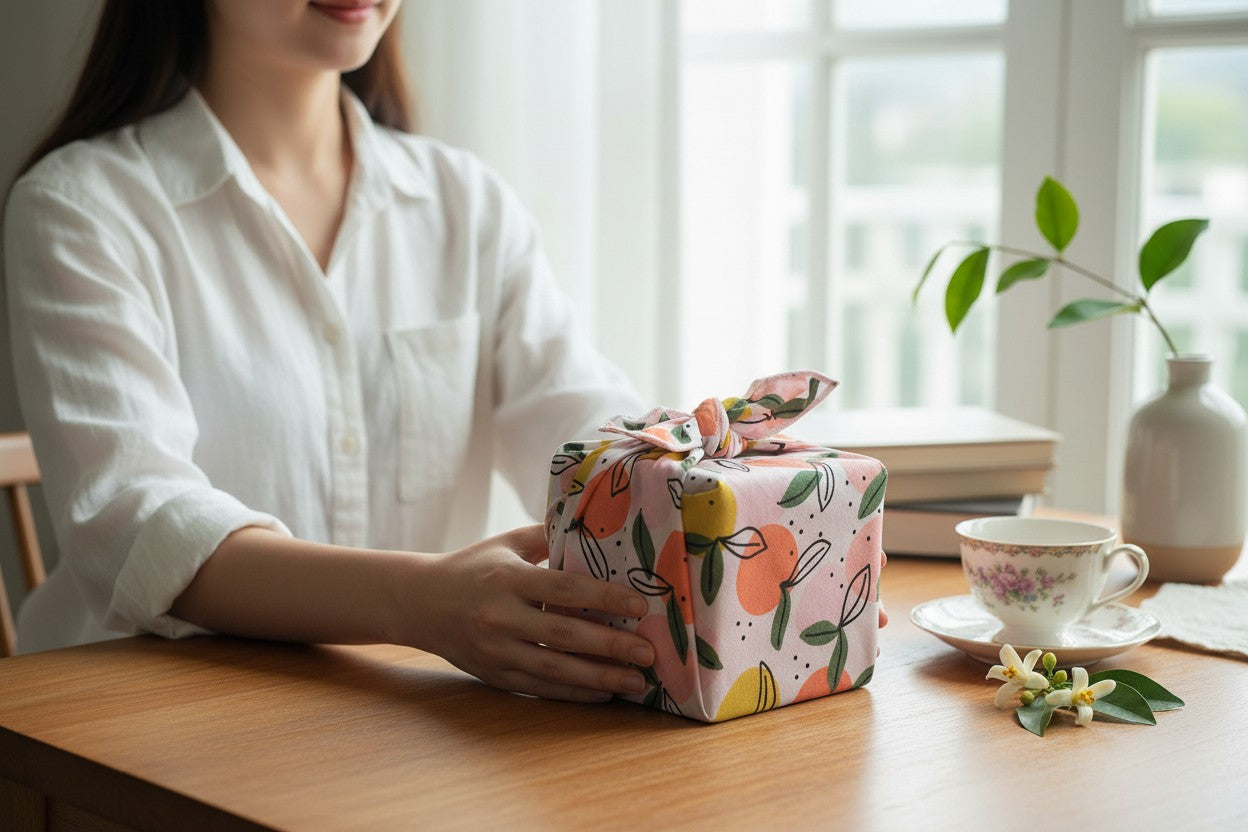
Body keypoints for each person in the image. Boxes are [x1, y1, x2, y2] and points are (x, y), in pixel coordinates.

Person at [4, 0, 657, 704]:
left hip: (398, 721)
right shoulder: (80, 207)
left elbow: (582, 428)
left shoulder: (463, 203)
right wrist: (422, 601)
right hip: (131, 724)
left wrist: (701, 474)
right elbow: (139, 522)